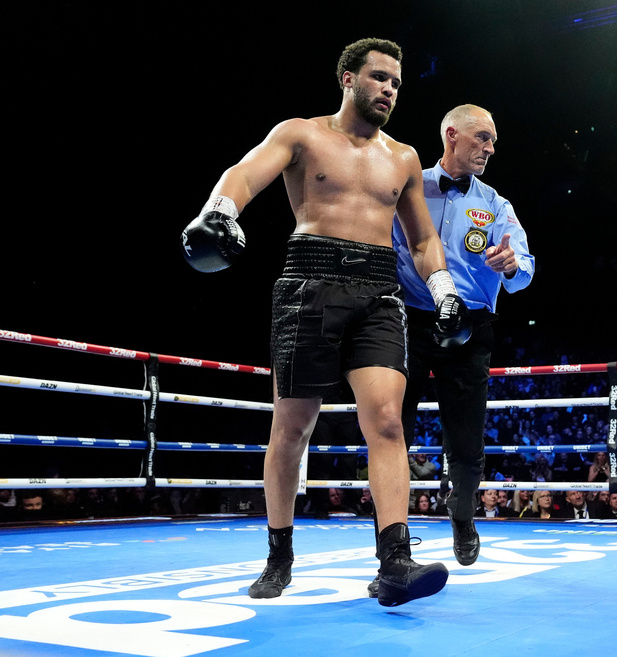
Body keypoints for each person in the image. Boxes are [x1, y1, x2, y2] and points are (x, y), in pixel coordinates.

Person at [180, 38, 469, 607]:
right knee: (293, 429)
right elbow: (242, 174)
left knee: (387, 421)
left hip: (380, 291)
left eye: (397, 83)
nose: (390, 89)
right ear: (347, 78)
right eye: (380, 77)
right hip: (309, 283)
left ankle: (395, 563)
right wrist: (218, 213)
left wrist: (444, 292)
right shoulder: (302, 134)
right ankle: (279, 554)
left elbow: (423, 239)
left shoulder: (404, 157)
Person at [391, 103, 534, 573]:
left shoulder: (495, 204)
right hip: (408, 318)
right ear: (451, 134)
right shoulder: (409, 185)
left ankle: (462, 514)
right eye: (483, 138)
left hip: (471, 327)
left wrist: (512, 266)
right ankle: (392, 555)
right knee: (391, 435)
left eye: (493, 141)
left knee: (467, 443)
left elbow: (524, 267)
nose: (491, 149)